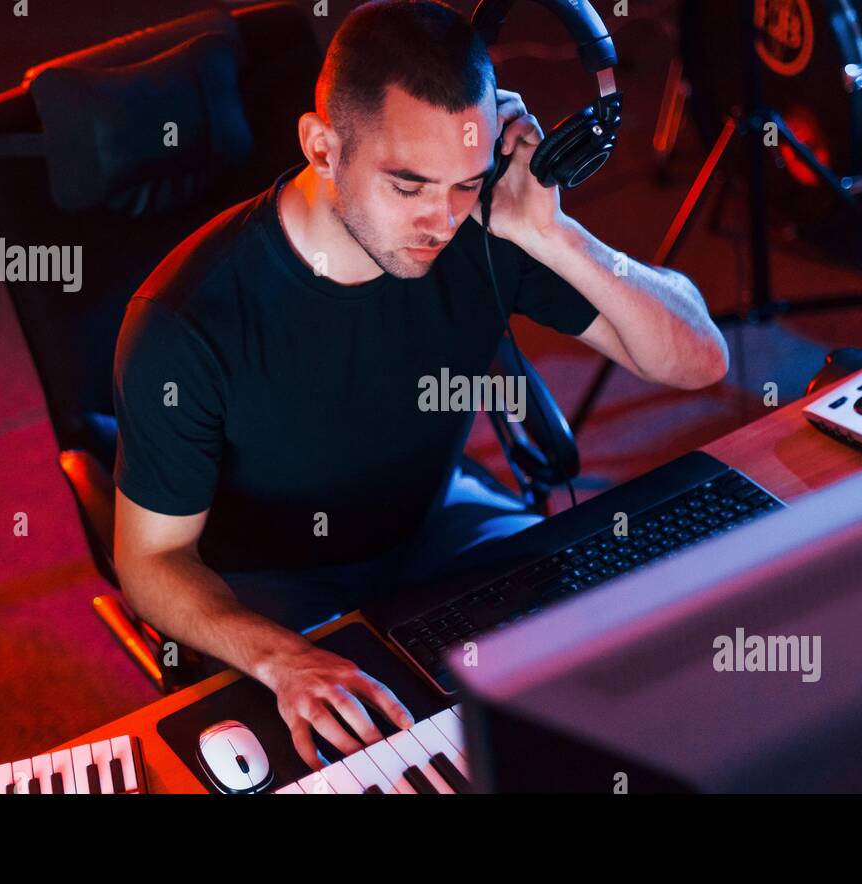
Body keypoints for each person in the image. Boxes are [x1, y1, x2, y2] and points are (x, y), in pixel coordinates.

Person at [112, 0, 728, 771]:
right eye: (408, 186)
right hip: (273, 592)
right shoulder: (185, 320)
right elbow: (151, 560)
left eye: (465, 183)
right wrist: (281, 660)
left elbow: (700, 361)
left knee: (627, 679)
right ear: (323, 146)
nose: (440, 221)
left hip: (436, 532)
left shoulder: (485, 227)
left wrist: (550, 234)